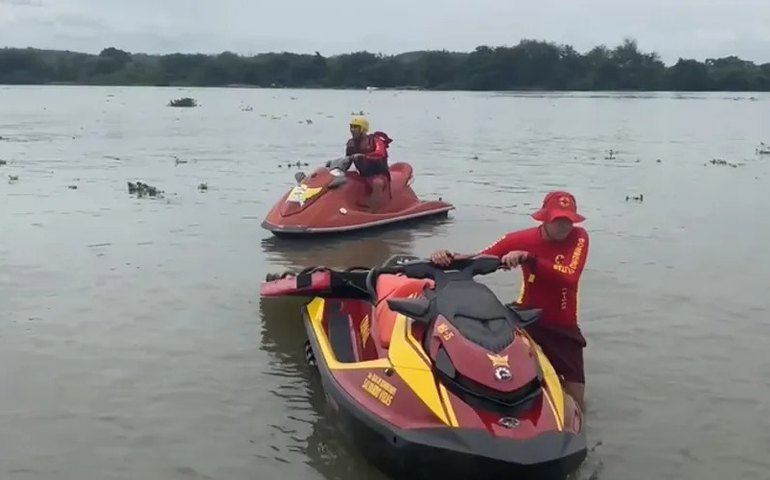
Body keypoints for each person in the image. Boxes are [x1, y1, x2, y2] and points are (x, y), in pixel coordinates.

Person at [429, 191, 590, 411]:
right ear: (544, 218)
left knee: (577, 403)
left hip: (563, 329)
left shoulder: (579, 237)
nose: (564, 226)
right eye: (558, 220)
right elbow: (479, 260)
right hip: (528, 320)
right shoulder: (520, 239)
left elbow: (569, 276)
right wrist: (448, 257)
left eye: (568, 220)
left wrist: (529, 259)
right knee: (510, 382)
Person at [344, 116, 393, 211]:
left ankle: (373, 212)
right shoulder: (350, 143)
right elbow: (348, 160)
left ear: (363, 129)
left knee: (377, 183)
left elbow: (380, 153)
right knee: (341, 180)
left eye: (356, 127)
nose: (352, 130)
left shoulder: (375, 141)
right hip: (362, 175)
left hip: (378, 174)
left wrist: (364, 156)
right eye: (351, 127)